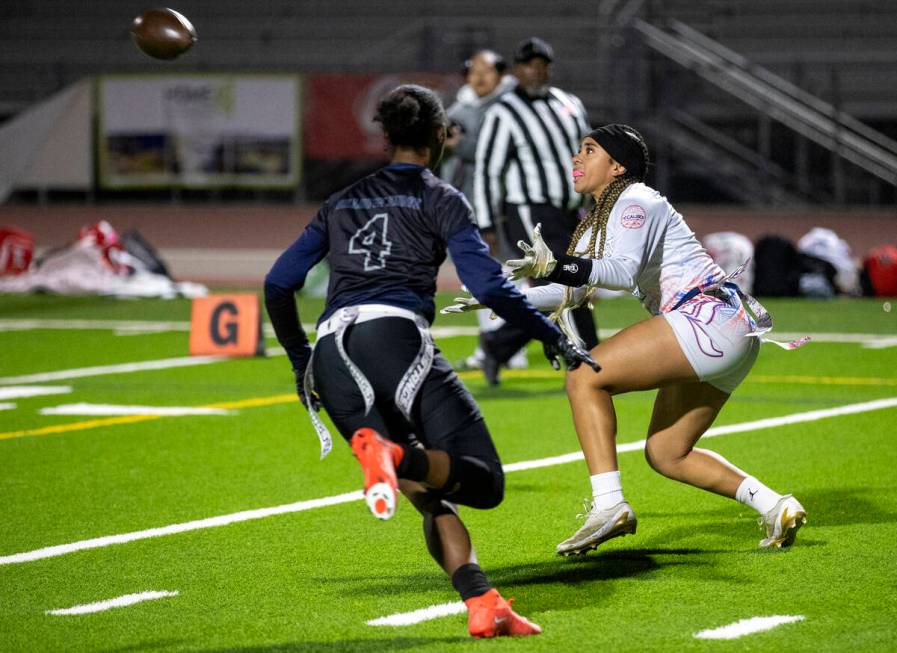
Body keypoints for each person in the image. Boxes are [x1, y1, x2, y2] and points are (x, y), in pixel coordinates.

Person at [263, 84, 598, 638]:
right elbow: (487, 286)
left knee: (428, 492)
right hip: (391, 338)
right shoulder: (441, 196)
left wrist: (303, 361)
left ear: (387, 137)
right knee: (484, 482)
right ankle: (393, 453)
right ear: (440, 136)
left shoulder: (341, 200)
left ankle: (481, 600)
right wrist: (552, 334)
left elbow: (278, 283)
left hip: (331, 350)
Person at [451, 123, 808, 555]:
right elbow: (577, 288)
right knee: (667, 452)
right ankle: (775, 506)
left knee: (584, 377)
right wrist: (507, 299)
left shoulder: (634, 199)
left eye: (589, 150)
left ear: (617, 165)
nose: (576, 159)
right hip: (727, 327)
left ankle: (608, 506)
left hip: (706, 318)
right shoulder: (605, 213)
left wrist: (554, 266)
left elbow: (617, 273)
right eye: (578, 150)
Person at [471, 36, 598, 385]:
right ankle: (591, 357)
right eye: (529, 65)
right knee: (565, 282)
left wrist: (595, 199)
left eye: (542, 65)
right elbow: (488, 170)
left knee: (570, 284)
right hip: (530, 212)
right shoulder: (504, 111)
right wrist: (485, 223)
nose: (536, 72)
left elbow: (588, 154)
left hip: (570, 211)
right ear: (516, 69)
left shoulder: (568, 103)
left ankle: (498, 345)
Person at [440, 49, 526, 375]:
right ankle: (492, 345)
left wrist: (457, 144)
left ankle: (508, 347)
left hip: (500, 203)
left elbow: (494, 153)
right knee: (478, 278)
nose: (478, 76)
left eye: (486, 70)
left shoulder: (509, 106)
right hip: (464, 203)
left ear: (501, 75)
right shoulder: (460, 107)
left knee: (506, 273)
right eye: (473, 70)